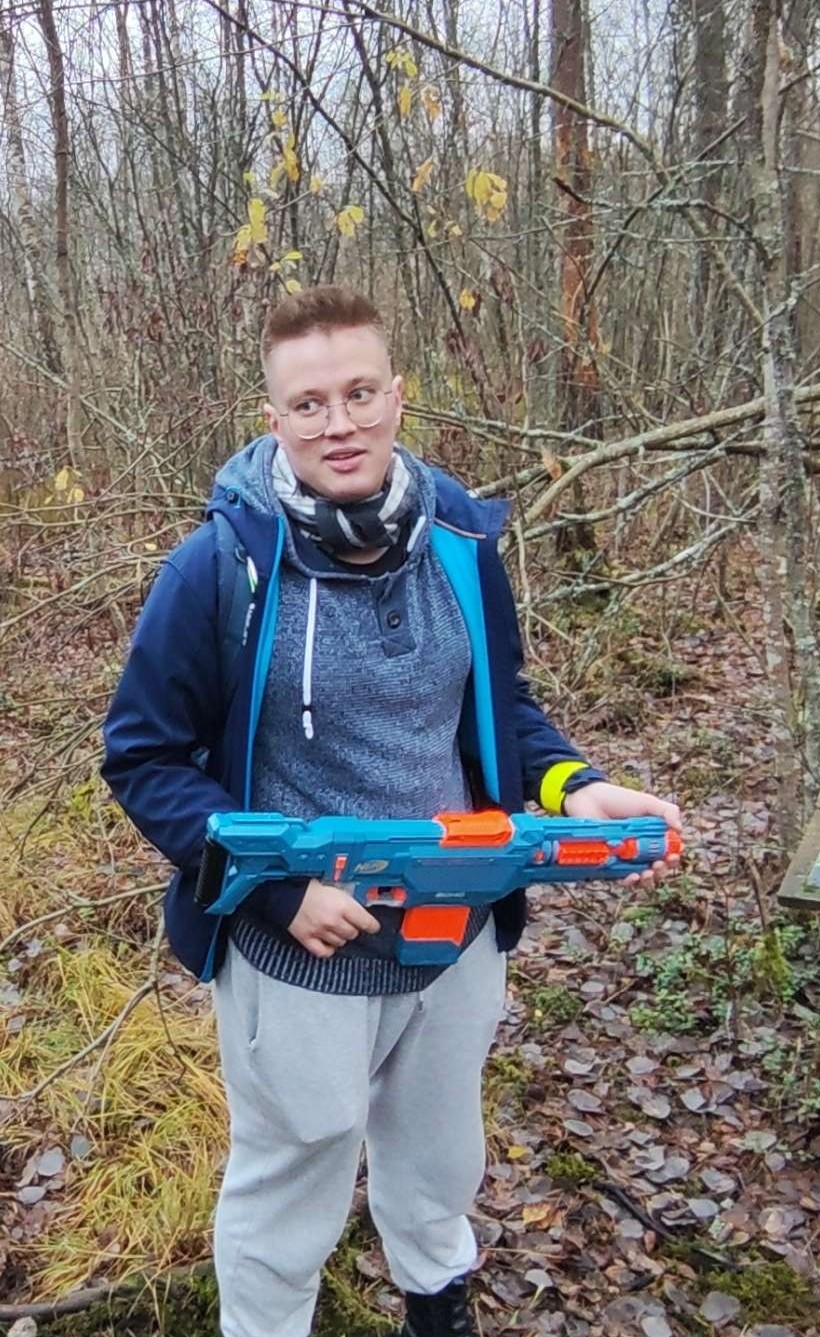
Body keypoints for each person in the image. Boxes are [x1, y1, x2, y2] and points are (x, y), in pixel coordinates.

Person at [102, 286, 682, 1337]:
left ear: (398, 396)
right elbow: (142, 754)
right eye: (310, 403)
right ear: (275, 417)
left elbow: (499, 706)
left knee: (440, 1153)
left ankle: (438, 1306)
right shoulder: (220, 568)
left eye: (360, 392)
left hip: (458, 918)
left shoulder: (459, 539)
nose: (341, 423)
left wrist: (573, 784)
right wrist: (275, 889)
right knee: (294, 1171)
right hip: (301, 941)